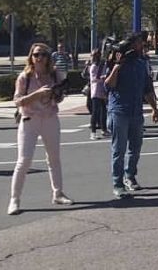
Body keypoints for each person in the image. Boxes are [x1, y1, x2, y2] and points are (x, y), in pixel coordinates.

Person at [7, 43, 73, 215]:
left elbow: (59, 98)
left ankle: (58, 193)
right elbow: (17, 101)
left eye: (43, 54)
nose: (40, 58)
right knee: (24, 160)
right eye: (36, 55)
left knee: (54, 157)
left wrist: (57, 93)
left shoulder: (53, 75)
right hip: (30, 120)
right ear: (31, 57)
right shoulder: (25, 77)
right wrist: (37, 94)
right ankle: (14, 200)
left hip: (50, 118)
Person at [105, 33, 158, 198]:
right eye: (137, 43)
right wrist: (116, 66)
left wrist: (155, 109)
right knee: (119, 150)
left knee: (135, 148)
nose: (141, 46)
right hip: (119, 111)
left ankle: (130, 176)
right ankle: (118, 183)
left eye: (141, 44)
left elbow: (148, 89)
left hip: (136, 112)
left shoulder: (142, 64)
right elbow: (108, 86)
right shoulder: (116, 63)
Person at [88, 49, 108, 140]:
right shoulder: (93, 67)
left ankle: (104, 129)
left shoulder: (102, 65)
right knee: (95, 112)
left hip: (102, 90)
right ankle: (93, 132)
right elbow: (94, 79)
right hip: (96, 91)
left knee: (104, 110)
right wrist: (103, 78)